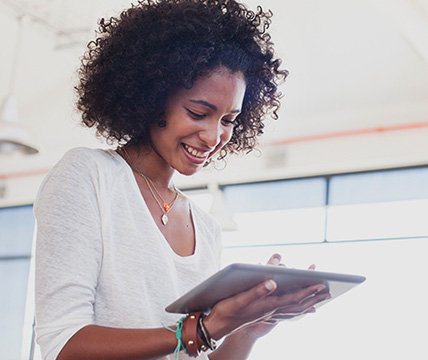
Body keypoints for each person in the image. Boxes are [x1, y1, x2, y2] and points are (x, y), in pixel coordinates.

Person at [34, 1, 331, 359]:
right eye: (198, 113)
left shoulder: (205, 229)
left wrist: (250, 325)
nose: (213, 136)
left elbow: (194, 353)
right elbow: (64, 345)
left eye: (228, 119)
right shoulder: (87, 176)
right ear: (152, 98)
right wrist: (202, 330)